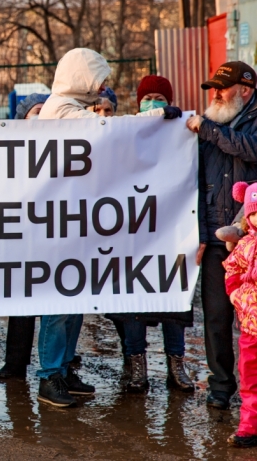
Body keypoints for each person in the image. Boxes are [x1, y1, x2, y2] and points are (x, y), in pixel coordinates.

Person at [36, 48, 182, 408]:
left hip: (74, 222)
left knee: (72, 304)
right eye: (98, 75)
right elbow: (108, 133)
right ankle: (49, 376)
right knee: (57, 305)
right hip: (59, 226)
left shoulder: (70, 107)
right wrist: (158, 116)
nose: (104, 84)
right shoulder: (61, 111)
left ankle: (65, 368)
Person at [109, 75, 194, 394]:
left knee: (174, 302)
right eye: (148, 98)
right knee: (133, 303)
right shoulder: (126, 132)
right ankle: (136, 364)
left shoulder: (185, 134)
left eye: (160, 97)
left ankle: (177, 365)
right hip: (131, 237)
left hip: (172, 235)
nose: (154, 103)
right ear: (138, 103)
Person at [187, 61, 257, 410]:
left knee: (253, 323)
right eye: (213, 87)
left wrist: (210, 130)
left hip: (253, 242)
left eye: (223, 87)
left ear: (245, 89)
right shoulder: (209, 123)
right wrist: (201, 234)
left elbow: (250, 149)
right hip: (216, 240)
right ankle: (220, 388)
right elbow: (195, 186)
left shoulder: (224, 126)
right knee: (216, 318)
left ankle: (252, 393)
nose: (215, 93)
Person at [0, 92, 51, 381]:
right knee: (23, 304)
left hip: (54, 236)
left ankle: (57, 364)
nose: (41, 116)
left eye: (46, 109)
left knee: (56, 305)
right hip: (22, 237)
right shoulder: (10, 149)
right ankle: (15, 363)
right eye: (36, 110)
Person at [224, 181, 257, 448]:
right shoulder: (245, 245)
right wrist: (235, 294)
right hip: (250, 327)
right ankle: (249, 426)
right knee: (249, 377)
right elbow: (232, 270)